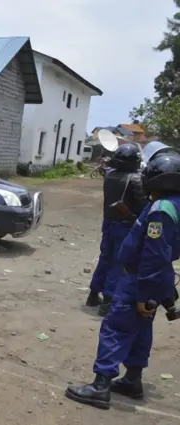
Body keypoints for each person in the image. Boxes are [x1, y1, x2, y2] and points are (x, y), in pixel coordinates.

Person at [66, 150, 180, 409]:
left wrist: (143, 295)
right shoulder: (174, 203)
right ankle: (132, 380)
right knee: (140, 331)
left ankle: (100, 386)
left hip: (139, 279)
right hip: (153, 279)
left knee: (115, 328)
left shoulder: (162, 209)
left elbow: (154, 255)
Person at [86, 143, 147, 316]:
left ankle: (93, 294)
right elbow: (142, 205)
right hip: (126, 225)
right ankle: (107, 301)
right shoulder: (135, 179)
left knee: (105, 258)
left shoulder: (110, 175)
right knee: (118, 263)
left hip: (109, 222)